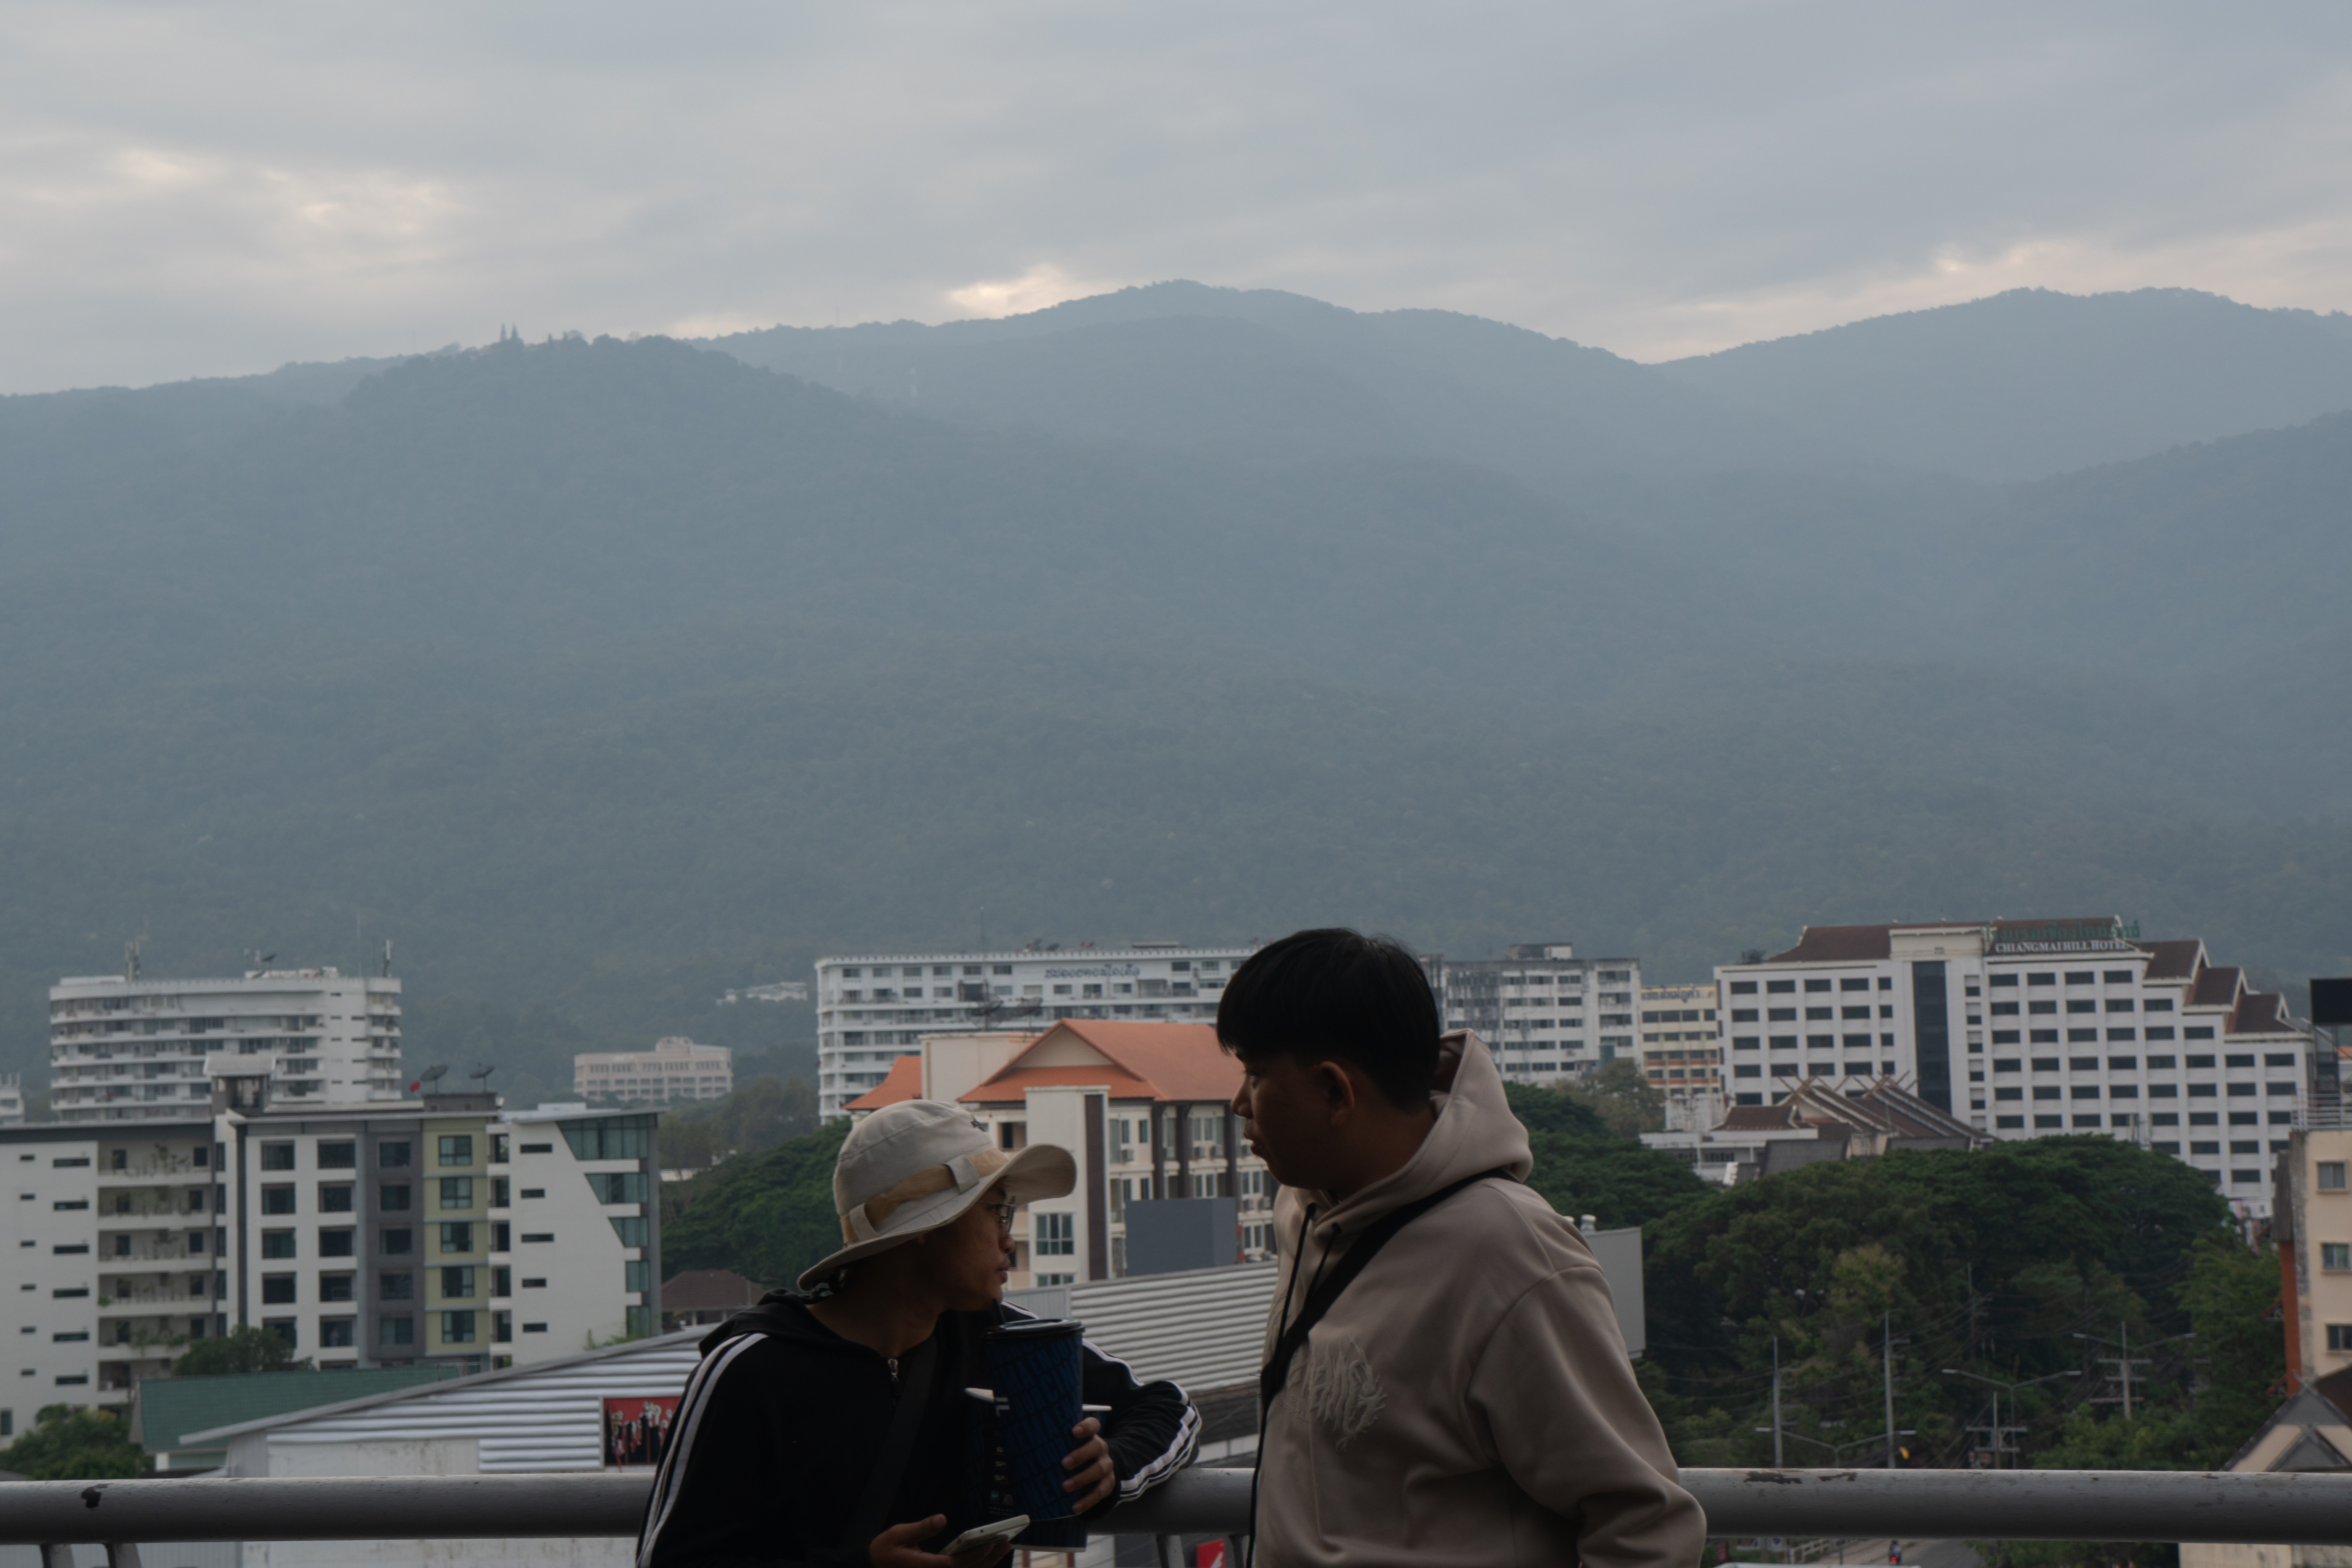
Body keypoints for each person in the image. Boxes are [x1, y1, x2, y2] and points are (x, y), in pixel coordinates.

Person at [1222, 928, 1705, 1568]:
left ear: (1336, 1093)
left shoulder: (1513, 1257)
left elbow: (1645, 1525)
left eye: (1255, 1077)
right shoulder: (1307, 1211)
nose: (1237, 1105)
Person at [637, 1100, 1199, 1568]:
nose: (1011, 1242)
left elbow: (1168, 1406)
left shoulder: (1004, 1341)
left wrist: (1112, 1468)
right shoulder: (750, 1369)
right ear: (930, 1226)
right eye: (998, 1213)